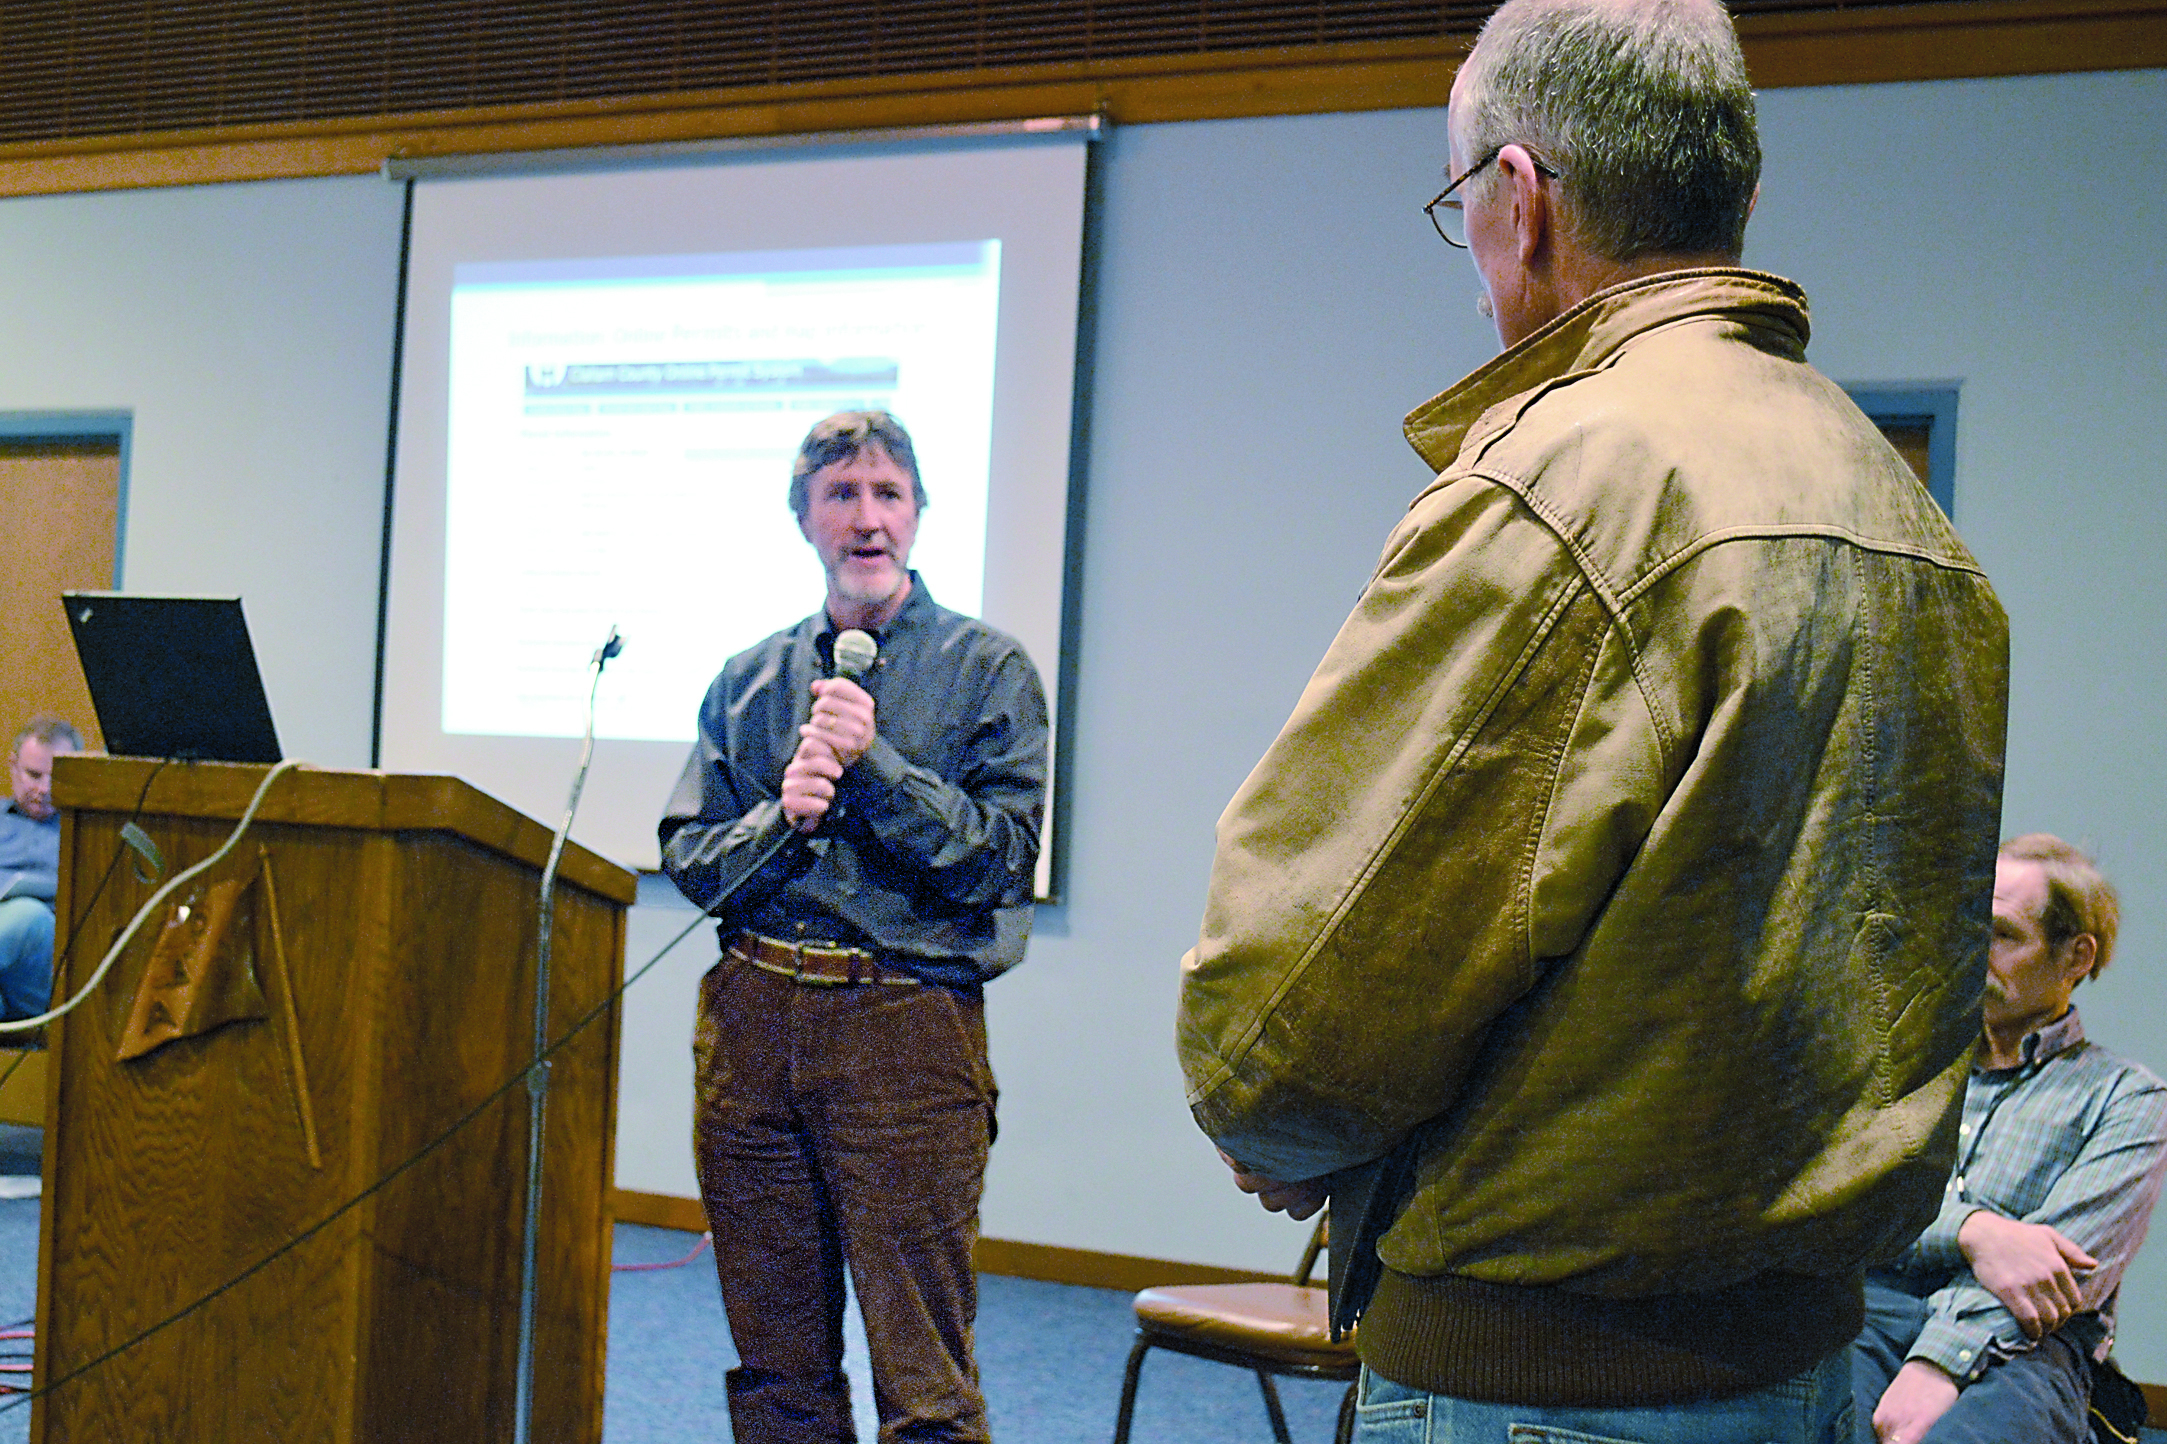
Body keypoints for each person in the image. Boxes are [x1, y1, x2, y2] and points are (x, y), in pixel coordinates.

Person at [1174, 1, 2010, 1440]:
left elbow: (1298, 1000)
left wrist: (1272, 1121)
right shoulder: (1897, 504)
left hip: (1540, 1380)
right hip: (1799, 1359)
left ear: (1517, 201)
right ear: (1734, 195)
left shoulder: (1563, 483)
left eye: (1460, 210)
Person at [659, 410, 1048, 1444]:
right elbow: (688, 856)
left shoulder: (987, 670)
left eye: (887, 494)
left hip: (904, 1036)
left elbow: (1002, 861)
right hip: (749, 1029)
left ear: (919, 514)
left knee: (924, 1386)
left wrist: (873, 768)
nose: (866, 518)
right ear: (805, 520)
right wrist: (776, 816)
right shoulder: (746, 679)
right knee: (777, 1372)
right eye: (841, 495)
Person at [1853, 835, 2167, 1444]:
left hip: (2026, 1347)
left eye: (2001, 933)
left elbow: (2057, 1284)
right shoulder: (1899, 1068)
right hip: (1869, 1315)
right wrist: (1974, 1232)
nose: (1971, 950)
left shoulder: (2126, 1098)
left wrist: (1937, 1362)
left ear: (2076, 957)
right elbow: (1851, 1212)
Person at [0, 714, 83, 1022]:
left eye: (56, 777)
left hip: (45, 972)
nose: (45, 788)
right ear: (12, 766)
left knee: (29, 916)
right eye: (34, 775)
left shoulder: (88, 834)